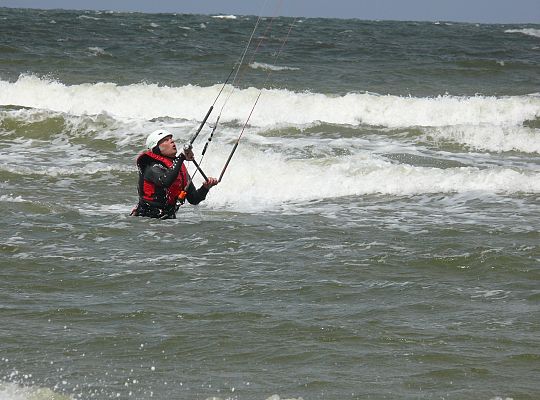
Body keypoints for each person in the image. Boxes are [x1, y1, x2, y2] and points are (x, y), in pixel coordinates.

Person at [131, 129, 218, 219]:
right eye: (166, 140)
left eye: (171, 139)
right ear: (156, 148)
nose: (172, 141)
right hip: (147, 219)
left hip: (167, 220)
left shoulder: (178, 167)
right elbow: (165, 181)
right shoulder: (150, 165)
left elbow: (194, 199)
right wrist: (181, 157)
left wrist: (205, 188)